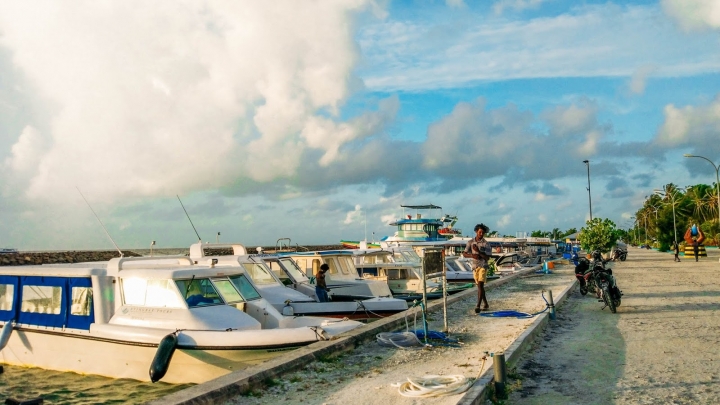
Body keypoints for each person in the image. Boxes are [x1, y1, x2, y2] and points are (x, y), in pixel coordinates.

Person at [463, 223, 491, 313]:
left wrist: (479, 252)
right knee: (480, 287)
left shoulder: (486, 244)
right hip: (475, 266)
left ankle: (478, 306)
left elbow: (487, 258)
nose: (481, 234)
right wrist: (472, 255)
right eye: (480, 232)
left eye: (483, 232)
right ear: (476, 232)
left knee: (480, 285)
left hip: (483, 265)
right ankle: (486, 303)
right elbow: (464, 253)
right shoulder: (470, 242)